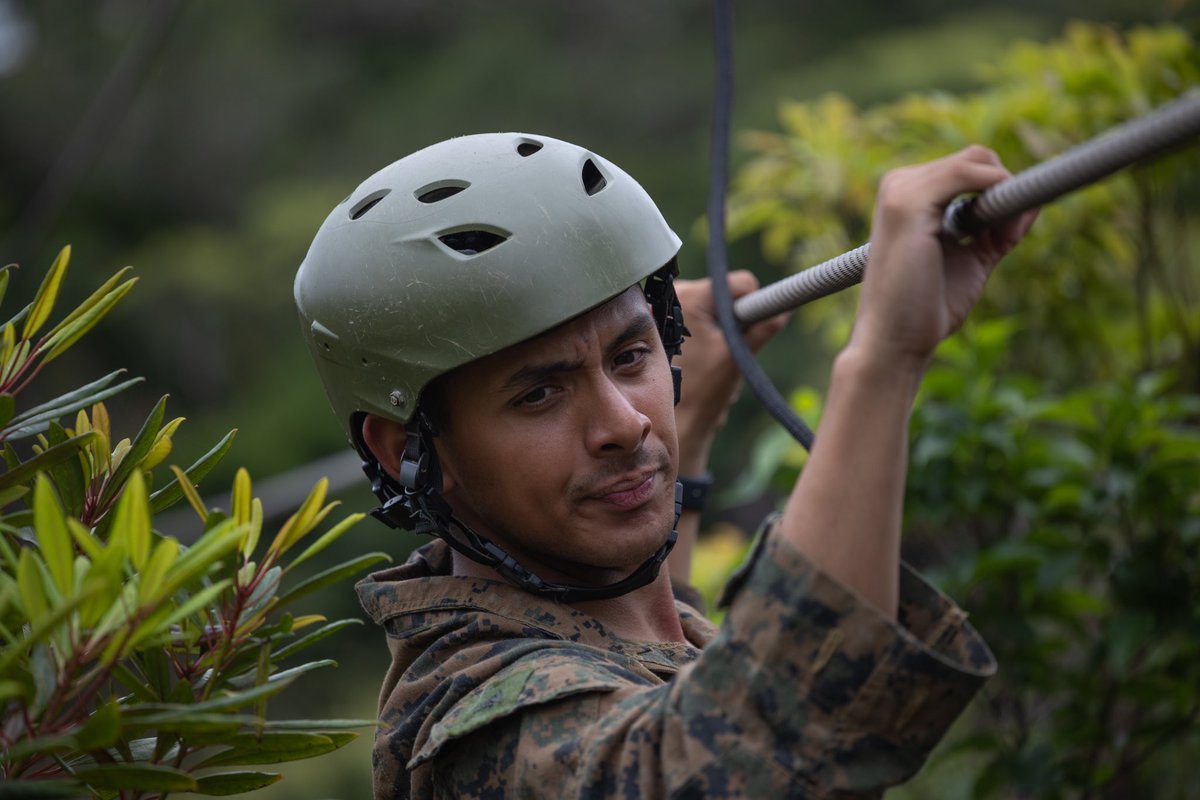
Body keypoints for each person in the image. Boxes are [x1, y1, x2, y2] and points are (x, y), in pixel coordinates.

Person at [293, 132, 1036, 798]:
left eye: (632, 354)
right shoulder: (471, 728)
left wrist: (699, 427)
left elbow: (646, 657)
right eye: (539, 394)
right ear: (405, 452)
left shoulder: (596, 620)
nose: (625, 422)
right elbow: (747, 762)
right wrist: (883, 359)